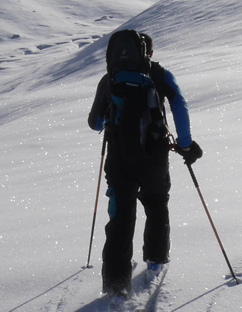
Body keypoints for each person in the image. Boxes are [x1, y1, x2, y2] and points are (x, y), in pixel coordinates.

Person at [87, 29, 202, 296]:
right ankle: (156, 262)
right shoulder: (160, 75)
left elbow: (94, 124)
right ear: (148, 52)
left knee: (121, 215)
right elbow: (179, 105)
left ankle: (116, 283)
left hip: (119, 157)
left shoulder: (110, 79)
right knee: (156, 205)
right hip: (155, 154)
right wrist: (185, 144)